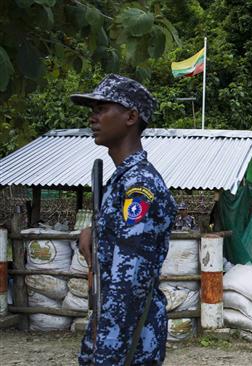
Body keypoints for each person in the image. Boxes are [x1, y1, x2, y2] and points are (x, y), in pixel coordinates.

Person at [73, 74, 177, 365]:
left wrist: (105, 354)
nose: (93, 118)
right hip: (113, 325)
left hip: (128, 335)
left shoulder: (139, 186)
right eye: (92, 111)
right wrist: (95, 231)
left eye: (101, 109)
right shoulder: (121, 181)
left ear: (131, 116)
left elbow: (128, 283)